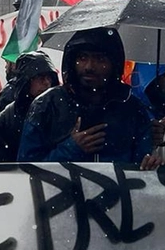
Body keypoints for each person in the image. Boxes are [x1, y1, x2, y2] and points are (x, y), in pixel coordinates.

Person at [17, 27, 152, 165]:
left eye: (100, 59)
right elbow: (26, 168)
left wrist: (151, 164)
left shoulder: (132, 108)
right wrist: (71, 149)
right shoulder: (47, 105)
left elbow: (142, 163)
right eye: (82, 58)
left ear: (114, 64)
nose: (89, 66)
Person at [0, 51, 58, 163]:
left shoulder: (60, 112)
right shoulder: (6, 120)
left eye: (49, 77)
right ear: (26, 80)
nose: (46, 83)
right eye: (40, 77)